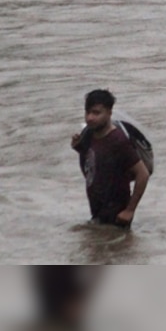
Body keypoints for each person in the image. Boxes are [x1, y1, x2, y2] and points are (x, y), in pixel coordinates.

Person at [70, 89, 150, 228]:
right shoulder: (89, 134)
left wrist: (129, 210)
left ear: (109, 113)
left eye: (96, 113)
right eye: (87, 112)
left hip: (116, 216)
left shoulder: (117, 140)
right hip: (97, 212)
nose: (90, 117)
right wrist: (79, 148)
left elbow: (143, 174)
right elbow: (95, 166)